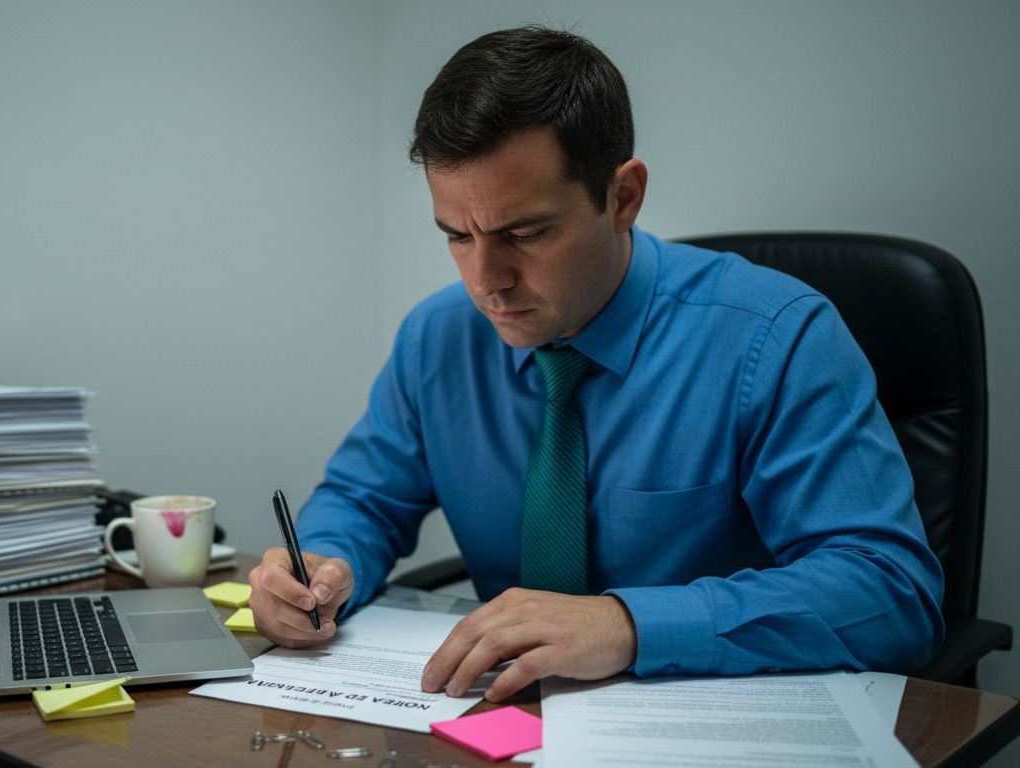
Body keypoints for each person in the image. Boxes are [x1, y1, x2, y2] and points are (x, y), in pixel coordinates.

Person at [248, 25, 943, 703]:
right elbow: (364, 500)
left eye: (525, 233)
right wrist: (322, 565)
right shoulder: (438, 339)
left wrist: (629, 624)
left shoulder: (777, 337)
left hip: (711, 719)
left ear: (623, 198)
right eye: (457, 235)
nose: (487, 279)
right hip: (504, 721)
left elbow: (890, 593)